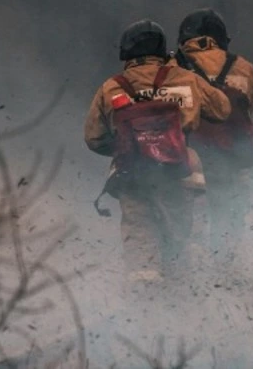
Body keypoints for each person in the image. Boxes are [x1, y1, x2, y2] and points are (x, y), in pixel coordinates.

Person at [84, 19, 231, 283]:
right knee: (184, 237)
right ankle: (189, 300)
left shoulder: (111, 87)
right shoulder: (186, 78)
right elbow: (222, 109)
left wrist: (132, 145)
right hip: (181, 171)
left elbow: (93, 138)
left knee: (141, 238)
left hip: (133, 173)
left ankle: (147, 306)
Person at [173, 8, 253, 264]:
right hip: (231, 157)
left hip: (185, 158)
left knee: (187, 221)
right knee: (228, 221)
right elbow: (250, 107)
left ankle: (186, 278)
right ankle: (225, 276)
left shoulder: (171, 67)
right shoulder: (244, 68)